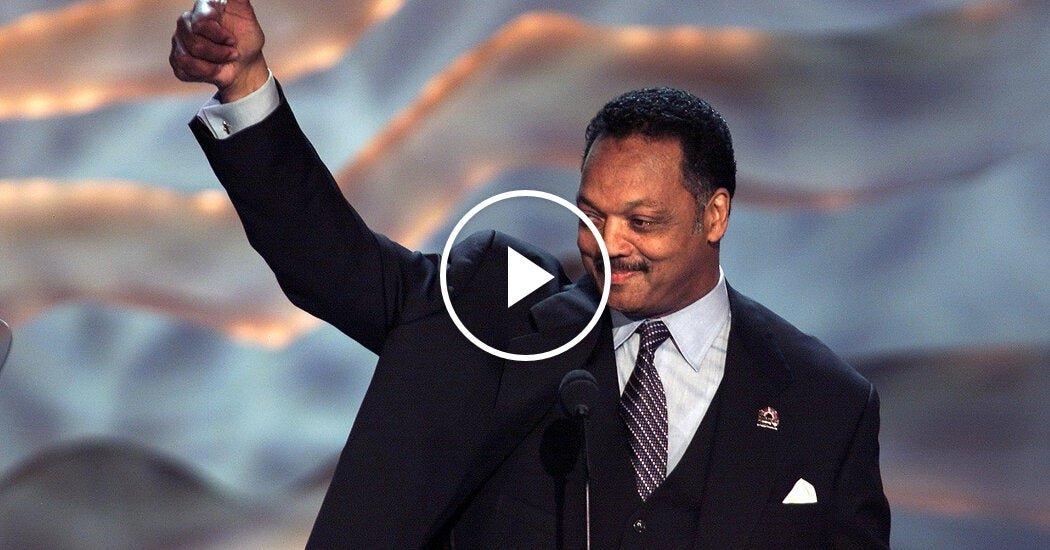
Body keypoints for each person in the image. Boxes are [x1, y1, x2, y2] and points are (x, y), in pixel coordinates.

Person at [170, 1, 891, 547]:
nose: (609, 244)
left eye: (642, 222)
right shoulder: (492, 316)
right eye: (592, 214)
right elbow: (329, 259)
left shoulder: (825, 404)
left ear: (715, 215)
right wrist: (247, 85)